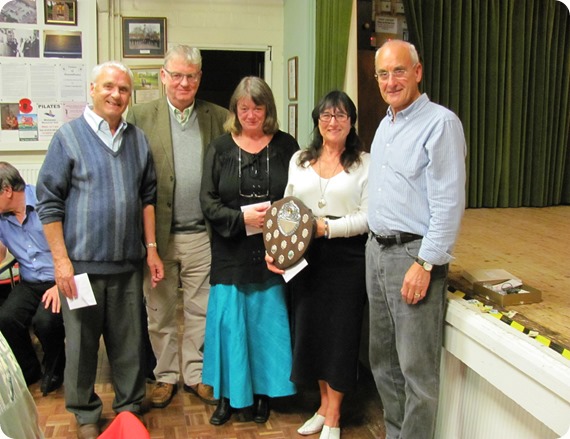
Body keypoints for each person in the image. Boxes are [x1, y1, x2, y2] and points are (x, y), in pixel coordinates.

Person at [36, 61, 164, 439]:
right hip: (81, 270)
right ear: (92, 90)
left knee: (129, 346)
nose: (116, 95)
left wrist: (152, 249)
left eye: (123, 89)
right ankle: (85, 413)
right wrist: (61, 262)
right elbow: (49, 203)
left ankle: (128, 409)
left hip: (127, 265)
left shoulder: (137, 140)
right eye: (108, 87)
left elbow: (148, 199)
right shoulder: (68, 137)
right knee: (81, 347)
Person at [366, 40, 466, 439]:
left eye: (399, 71)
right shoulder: (385, 124)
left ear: (418, 72)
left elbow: (448, 201)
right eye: (383, 74)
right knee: (383, 363)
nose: (391, 81)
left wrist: (425, 264)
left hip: (413, 256)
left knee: (417, 373)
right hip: (377, 253)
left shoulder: (440, 123)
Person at [126, 45, 229, 409]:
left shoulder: (219, 116)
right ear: (163, 76)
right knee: (160, 310)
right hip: (159, 237)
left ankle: (196, 374)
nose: (184, 82)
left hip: (203, 233)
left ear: (200, 79)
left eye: (192, 76)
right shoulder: (139, 116)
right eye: (178, 75)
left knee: (202, 308)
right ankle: (166, 375)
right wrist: (147, 243)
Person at [266, 91, 370, 439]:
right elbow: (287, 208)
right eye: (326, 115)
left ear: (351, 122)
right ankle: (324, 406)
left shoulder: (365, 163)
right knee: (312, 333)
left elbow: (369, 217)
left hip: (347, 258)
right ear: (317, 121)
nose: (333, 122)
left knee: (340, 336)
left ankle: (335, 417)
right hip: (305, 256)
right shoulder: (300, 159)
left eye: (341, 116)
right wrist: (276, 250)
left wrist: (329, 227)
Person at [200, 76, 298, 426]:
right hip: (230, 250)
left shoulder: (287, 146)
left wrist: (279, 223)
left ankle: (261, 395)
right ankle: (227, 396)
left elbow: (296, 197)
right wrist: (241, 217)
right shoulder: (219, 149)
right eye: (244, 108)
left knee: (264, 328)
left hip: (273, 252)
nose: (251, 114)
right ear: (235, 111)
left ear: (268, 109)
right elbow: (207, 202)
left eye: (258, 107)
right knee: (229, 327)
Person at [0, 161, 65, 395]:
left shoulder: (46, 200)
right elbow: (1, 255)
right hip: (30, 280)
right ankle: (29, 370)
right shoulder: (2, 217)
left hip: (60, 278)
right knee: (6, 318)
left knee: (45, 322)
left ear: (7, 191)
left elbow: (76, 245)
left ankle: (56, 368)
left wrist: (61, 285)